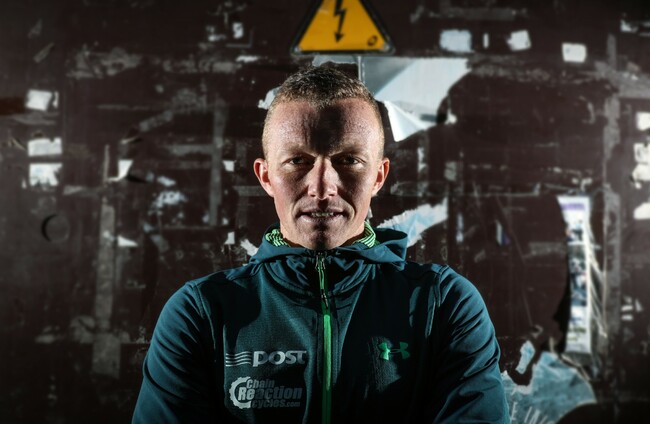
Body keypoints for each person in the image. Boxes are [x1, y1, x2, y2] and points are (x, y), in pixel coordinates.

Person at [132, 65, 509, 423]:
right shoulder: (199, 314)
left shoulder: (444, 305)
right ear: (266, 177)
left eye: (348, 160)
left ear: (378, 177)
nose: (322, 187)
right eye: (298, 161)